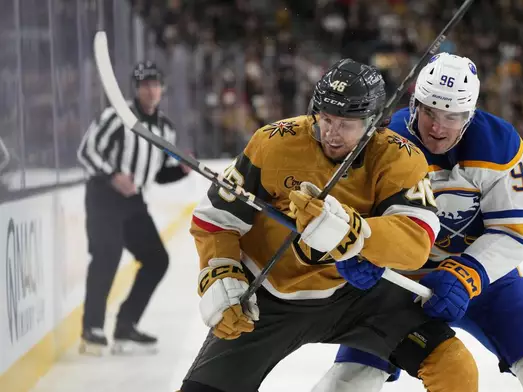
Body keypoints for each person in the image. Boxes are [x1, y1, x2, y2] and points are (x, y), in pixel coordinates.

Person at [179, 58, 478, 392]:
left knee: (455, 367)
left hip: (357, 297)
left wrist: (355, 233)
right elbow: (216, 218)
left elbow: (416, 240)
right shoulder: (273, 143)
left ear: (372, 124)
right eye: (325, 119)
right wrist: (220, 269)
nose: (331, 133)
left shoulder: (399, 157)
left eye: (347, 124)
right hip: (268, 298)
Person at [311, 53, 523, 392]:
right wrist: (355, 251)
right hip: (397, 284)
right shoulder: (381, 141)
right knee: (347, 382)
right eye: (429, 110)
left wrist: (468, 273)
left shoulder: (500, 145)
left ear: (470, 113)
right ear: (414, 102)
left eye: (453, 115)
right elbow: (352, 218)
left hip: (486, 281)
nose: (437, 127)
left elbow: (514, 231)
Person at [77, 60, 190, 355]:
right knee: (107, 255)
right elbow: (86, 151)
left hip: (134, 202)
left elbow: (157, 173)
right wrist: (113, 175)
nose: (150, 90)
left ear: (162, 89)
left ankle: (126, 325)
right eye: (144, 85)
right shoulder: (117, 117)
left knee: (156, 259)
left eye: (154, 84)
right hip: (104, 196)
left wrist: (182, 170)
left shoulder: (166, 128)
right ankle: (92, 329)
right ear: (136, 88)